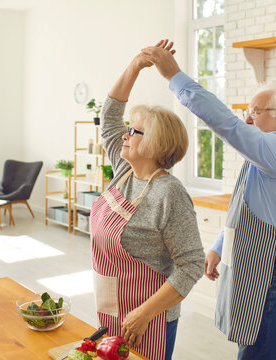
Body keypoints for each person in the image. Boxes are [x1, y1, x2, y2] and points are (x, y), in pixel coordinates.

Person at [142, 40, 276, 359]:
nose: (248, 120)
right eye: (247, 112)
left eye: (255, 112)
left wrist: (174, 76)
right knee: (256, 349)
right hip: (267, 269)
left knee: (258, 354)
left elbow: (228, 125)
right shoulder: (269, 157)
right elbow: (252, 209)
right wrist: (220, 246)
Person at [90, 41, 205, 360]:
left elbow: (191, 264)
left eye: (135, 132)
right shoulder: (123, 170)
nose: (125, 135)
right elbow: (110, 115)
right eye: (129, 129)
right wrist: (136, 65)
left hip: (150, 318)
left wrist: (143, 314)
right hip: (110, 307)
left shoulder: (169, 194)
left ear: (156, 145)